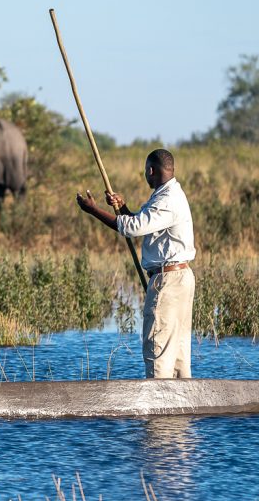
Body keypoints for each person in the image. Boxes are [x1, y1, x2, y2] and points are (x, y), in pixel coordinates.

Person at [76, 148, 196, 378]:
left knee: (158, 350)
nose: (145, 175)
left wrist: (94, 211)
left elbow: (132, 228)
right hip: (179, 278)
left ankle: (160, 411)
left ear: (151, 170)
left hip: (169, 280)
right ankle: (181, 409)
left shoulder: (167, 200)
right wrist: (122, 208)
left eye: (145, 171)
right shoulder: (168, 194)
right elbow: (140, 222)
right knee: (178, 353)